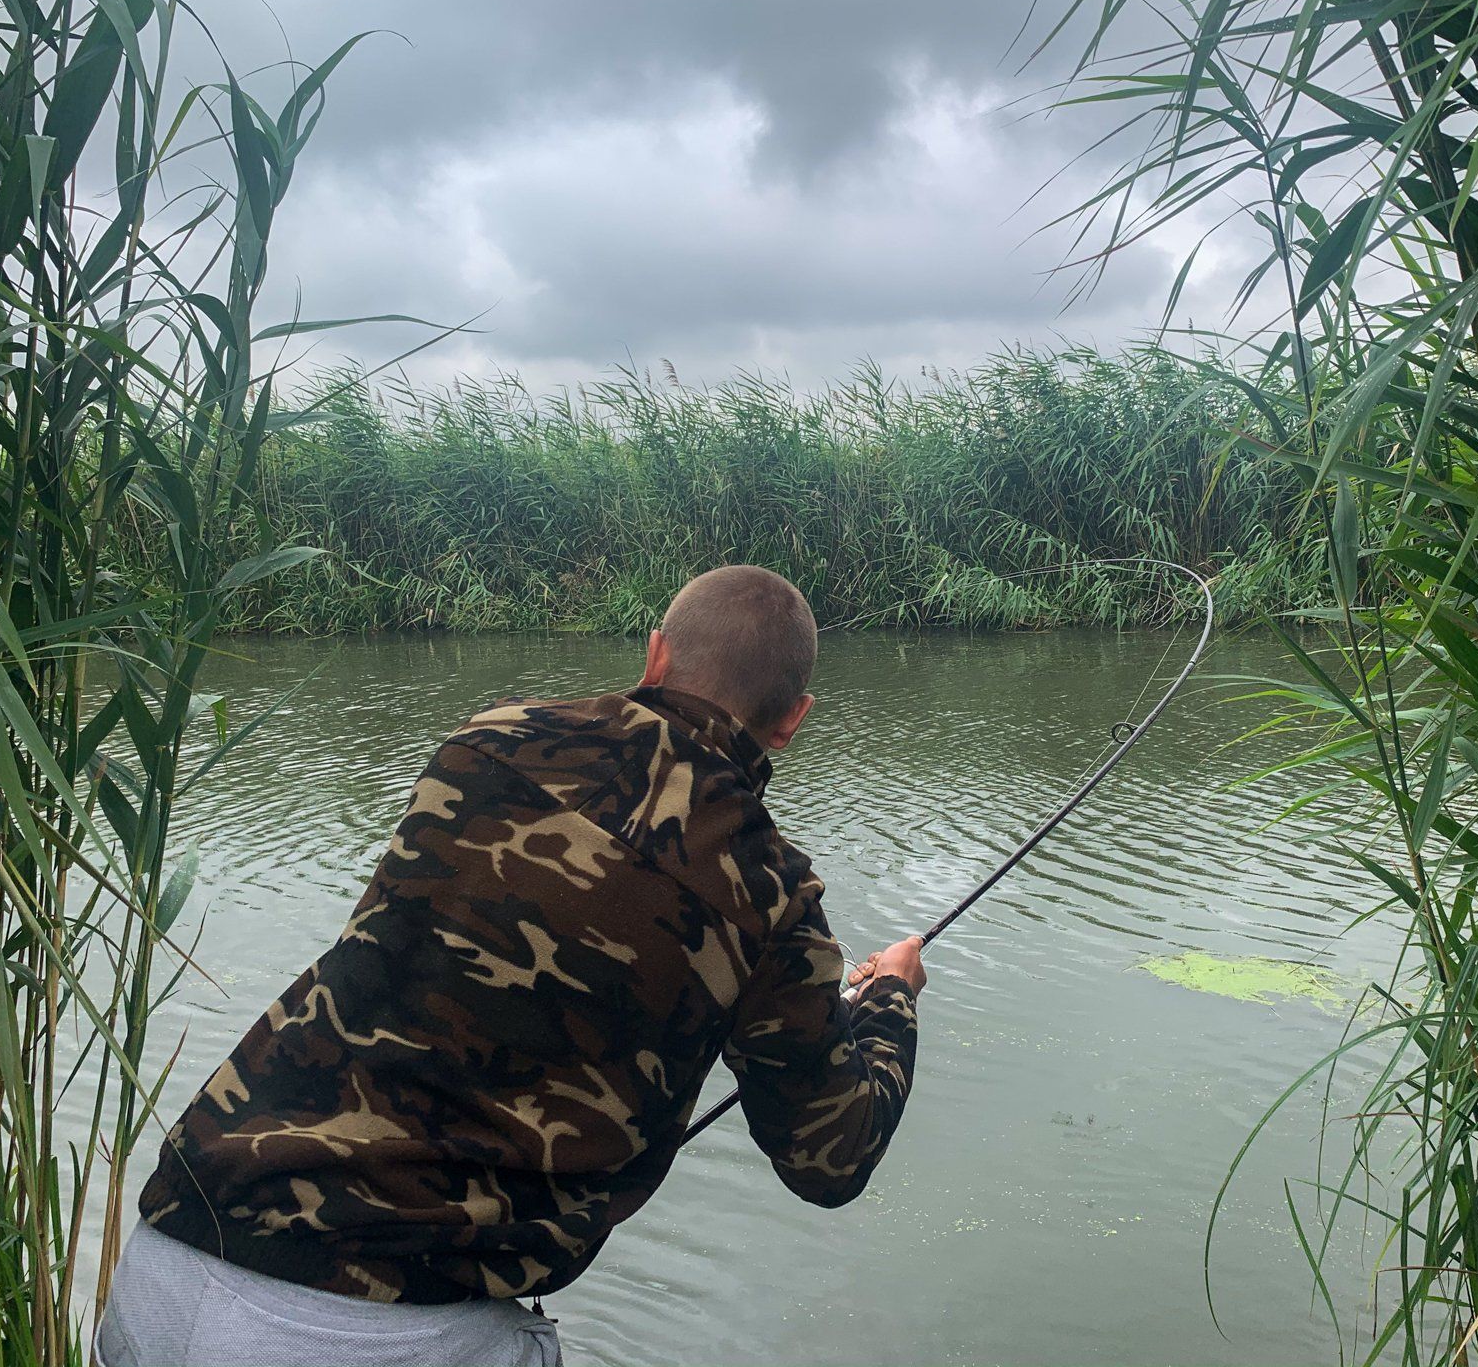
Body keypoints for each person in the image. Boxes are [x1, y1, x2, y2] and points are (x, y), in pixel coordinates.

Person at [96, 565, 926, 1367]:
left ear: (656, 654)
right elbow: (832, 1158)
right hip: (383, 1334)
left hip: (172, 1258)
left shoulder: (487, 743)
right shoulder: (770, 893)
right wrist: (889, 998)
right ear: (793, 720)